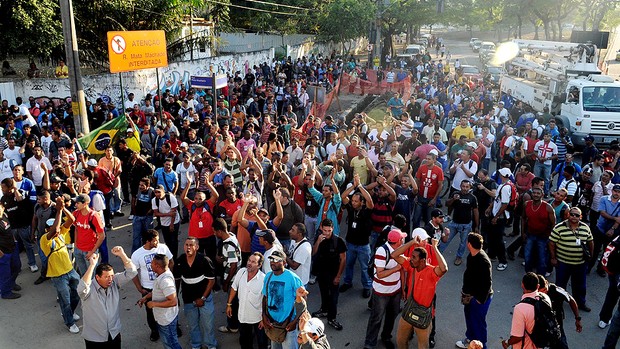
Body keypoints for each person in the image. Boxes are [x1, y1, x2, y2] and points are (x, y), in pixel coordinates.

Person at [391, 236, 448, 349]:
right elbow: (394, 255)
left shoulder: (432, 272)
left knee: (423, 346)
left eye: (414, 257)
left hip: (423, 315)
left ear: (422, 260)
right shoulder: (411, 266)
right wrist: (411, 242)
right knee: (400, 341)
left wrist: (435, 248)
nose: (410, 259)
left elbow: (444, 268)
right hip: (409, 310)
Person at [78, 246, 137, 349]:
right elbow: (81, 288)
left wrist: (122, 255)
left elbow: (132, 272)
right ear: (97, 277)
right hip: (95, 338)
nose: (110, 279)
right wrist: (92, 266)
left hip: (114, 333)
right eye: (106, 277)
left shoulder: (114, 282)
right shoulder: (89, 289)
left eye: (112, 276)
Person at [39, 196, 79, 333]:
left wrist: (63, 209)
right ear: (47, 230)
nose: (56, 229)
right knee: (65, 300)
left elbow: (72, 220)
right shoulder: (45, 239)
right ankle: (69, 322)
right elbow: (55, 228)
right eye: (52, 227)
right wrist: (58, 211)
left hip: (70, 270)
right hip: (58, 275)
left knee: (77, 293)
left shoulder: (60, 232)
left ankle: (70, 313)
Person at [364, 229, 407, 349]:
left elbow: (403, 271)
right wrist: (396, 269)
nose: (403, 240)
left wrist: (402, 289)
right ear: (398, 241)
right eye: (402, 238)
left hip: (395, 290)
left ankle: (386, 336)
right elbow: (380, 274)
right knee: (376, 318)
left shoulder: (401, 251)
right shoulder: (382, 251)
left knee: (392, 315)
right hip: (381, 292)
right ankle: (369, 343)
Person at [173, 237, 218, 349]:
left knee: (208, 325)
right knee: (193, 326)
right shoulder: (180, 261)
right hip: (188, 299)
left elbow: (211, 281)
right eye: (186, 245)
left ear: (197, 247)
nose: (188, 247)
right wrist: (175, 296)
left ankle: (211, 345)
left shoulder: (205, 260)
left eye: (191, 245)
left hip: (205, 299)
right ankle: (196, 345)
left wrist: (202, 298)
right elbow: (177, 280)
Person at [130, 229, 174, 342]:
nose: (157, 243)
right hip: (148, 287)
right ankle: (154, 330)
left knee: (170, 306)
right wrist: (140, 288)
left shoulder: (163, 248)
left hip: (164, 285)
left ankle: (174, 327)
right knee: (151, 310)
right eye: (155, 241)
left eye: (158, 240)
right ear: (147, 241)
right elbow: (133, 273)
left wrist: (169, 278)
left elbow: (171, 262)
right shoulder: (137, 254)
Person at [549, 206, 594, 312]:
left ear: (581, 217)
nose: (574, 216)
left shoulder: (585, 228)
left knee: (580, 285)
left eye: (577, 215)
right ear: (568, 215)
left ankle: (580, 303)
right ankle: (557, 303)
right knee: (560, 285)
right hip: (563, 263)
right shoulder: (559, 227)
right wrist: (553, 258)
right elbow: (551, 243)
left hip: (580, 263)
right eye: (572, 214)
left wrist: (591, 256)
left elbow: (590, 241)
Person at [456, 233, 493, 349]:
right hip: (470, 296)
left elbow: (487, 283)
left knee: (478, 324)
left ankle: (481, 346)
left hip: (479, 299)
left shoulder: (483, 261)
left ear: (469, 244)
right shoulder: (471, 256)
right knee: (470, 320)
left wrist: (480, 300)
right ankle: (470, 339)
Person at [340, 173, 374, 296]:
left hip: (363, 245)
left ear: (362, 203)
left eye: (356, 201)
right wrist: (353, 187)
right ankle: (347, 282)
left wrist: (360, 186)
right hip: (350, 243)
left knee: (365, 268)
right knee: (348, 265)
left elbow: (369, 200)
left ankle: (367, 286)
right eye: (353, 201)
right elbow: (343, 196)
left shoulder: (366, 211)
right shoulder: (351, 209)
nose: (353, 203)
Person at [262, 249, 304, 349]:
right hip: (273, 324)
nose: (273, 262)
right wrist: (263, 315)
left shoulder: (292, 278)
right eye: (271, 259)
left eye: (277, 260)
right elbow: (265, 297)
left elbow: (302, 302)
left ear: (284, 263)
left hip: (288, 324)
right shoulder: (268, 276)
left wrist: (294, 322)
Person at [138, 254, 182, 349]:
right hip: (163, 318)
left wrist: (153, 304)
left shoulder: (165, 281)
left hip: (167, 320)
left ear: (157, 266)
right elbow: (158, 292)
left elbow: (173, 301)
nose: (150, 265)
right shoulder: (162, 275)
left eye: (152, 263)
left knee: (171, 344)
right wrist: (146, 297)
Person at [311, 218, 347, 330]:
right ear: (321, 228)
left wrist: (338, 276)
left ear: (332, 229)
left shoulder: (338, 241)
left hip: (333, 274)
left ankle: (332, 318)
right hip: (321, 273)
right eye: (324, 230)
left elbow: (343, 259)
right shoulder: (319, 238)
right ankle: (324, 310)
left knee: (334, 298)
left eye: (329, 231)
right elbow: (313, 252)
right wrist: (318, 242)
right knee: (324, 293)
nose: (326, 233)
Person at [227, 252, 268, 349]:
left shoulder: (263, 279)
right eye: (249, 260)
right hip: (243, 317)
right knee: (245, 343)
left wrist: (264, 318)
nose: (249, 263)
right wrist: (229, 304)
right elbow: (234, 287)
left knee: (262, 343)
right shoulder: (241, 272)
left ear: (259, 265)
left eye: (253, 262)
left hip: (258, 319)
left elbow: (267, 300)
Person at [536, 274, 583, 349]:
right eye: (541, 292)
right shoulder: (534, 295)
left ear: (547, 282)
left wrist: (578, 318)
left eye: (545, 290)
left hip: (556, 325)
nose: (544, 294)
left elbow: (571, 300)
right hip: (540, 325)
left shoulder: (557, 291)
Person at [501, 272, 544, 349]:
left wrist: (507, 342)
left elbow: (517, 337)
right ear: (538, 286)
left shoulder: (520, 308)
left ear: (522, 285)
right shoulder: (545, 298)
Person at [441, 180, 479, 266]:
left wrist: (476, 226)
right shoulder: (455, 194)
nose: (465, 189)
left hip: (466, 225)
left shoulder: (472, 198)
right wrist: (453, 199)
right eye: (463, 186)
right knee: (445, 239)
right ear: (460, 186)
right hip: (454, 223)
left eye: (467, 187)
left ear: (470, 188)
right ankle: (438, 254)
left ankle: (459, 257)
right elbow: (447, 204)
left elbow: (476, 212)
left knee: (463, 242)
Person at [522, 187, 555, 274]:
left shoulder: (548, 208)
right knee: (527, 256)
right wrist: (523, 232)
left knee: (542, 258)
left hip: (543, 237)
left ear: (542, 195)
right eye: (534, 193)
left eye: (538, 193)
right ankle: (529, 276)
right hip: (530, 234)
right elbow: (523, 218)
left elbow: (553, 223)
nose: (535, 195)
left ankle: (541, 279)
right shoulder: (526, 204)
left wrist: (549, 237)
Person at [72, 194, 105, 276]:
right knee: (83, 275)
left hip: (89, 250)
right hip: (78, 249)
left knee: (93, 276)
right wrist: (76, 244)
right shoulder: (76, 213)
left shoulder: (93, 216)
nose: (75, 205)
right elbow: (76, 229)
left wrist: (92, 251)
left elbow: (102, 236)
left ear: (85, 204)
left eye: (78, 203)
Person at [486, 168, 511, 271]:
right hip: (496, 215)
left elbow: (505, 204)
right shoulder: (503, 185)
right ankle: (492, 255)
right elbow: (497, 200)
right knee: (492, 236)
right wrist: (490, 208)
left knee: (498, 240)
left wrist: (496, 217)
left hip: (500, 217)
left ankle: (503, 261)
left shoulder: (505, 188)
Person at [0, 201, 21, 299]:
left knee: (17, 267)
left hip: (13, 247)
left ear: (3, 207)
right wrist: (1, 254)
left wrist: (14, 240)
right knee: (5, 274)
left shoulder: (4, 216)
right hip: (3, 253)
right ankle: (6, 293)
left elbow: (9, 229)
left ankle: (11, 284)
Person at [286, 223, 312, 287]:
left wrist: (283, 255)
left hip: (299, 283)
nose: (290, 231)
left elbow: (294, 266)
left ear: (299, 234)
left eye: (293, 230)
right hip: (292, 280)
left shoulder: (304, 248)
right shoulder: (293, 241)